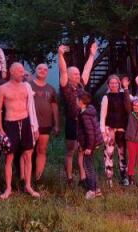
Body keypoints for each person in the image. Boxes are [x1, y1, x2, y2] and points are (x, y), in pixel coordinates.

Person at [0, 62, 40, 199]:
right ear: (12, 72)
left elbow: (31, 108)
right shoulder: (2, 88)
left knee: (28, 155)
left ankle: (28, 185)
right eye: (20, 71)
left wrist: (34, 126)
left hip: (26, 122)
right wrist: (0, 129)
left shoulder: (26, 86)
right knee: (9, 157)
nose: (22, 73)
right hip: (10, 123)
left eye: (23, 71)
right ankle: (8, 188)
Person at [58, 43, 98, 187]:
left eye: (77, 73)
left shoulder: (81, 84)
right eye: (75, 73)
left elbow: (87, 69)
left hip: (82, 123)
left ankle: (82, 178)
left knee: (81, 150)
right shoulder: (65, 86)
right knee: (71, 151)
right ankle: (69, 178)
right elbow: (63, 71)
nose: (78, 74)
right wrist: (60, 55)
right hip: (71, 122)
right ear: (69, 76)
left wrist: (92, 55)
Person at [29, 64, 59, 184]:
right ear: (35, 71)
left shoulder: (51, 89)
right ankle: (25, 178)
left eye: (45, 69)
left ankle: (38, 178)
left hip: (46, 124)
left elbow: (55, 107)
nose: (42, 71)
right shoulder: (28, 86)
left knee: (41, 150)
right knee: (28, 151)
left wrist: (56, 124)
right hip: (30, 124)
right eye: (40, 69)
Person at [99, 75, 129, 186]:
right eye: (111, 83)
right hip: (109, 129)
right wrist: (102, 131)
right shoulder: (106, 97)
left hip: (122, 129)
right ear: (108, 85)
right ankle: (109, 178)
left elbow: (131, 106)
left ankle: (124, 177)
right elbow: (102, 116)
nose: (114, 85)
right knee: (109, 153)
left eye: (116, 83)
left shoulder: (124, 95)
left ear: (119, 84)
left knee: (122, 154)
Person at [77, 91, 102, 199]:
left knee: (88, 167)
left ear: (81, 102)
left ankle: (91, 190)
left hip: (90, 145)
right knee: (90, 166)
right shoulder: (88, 111)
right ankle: (97, 189)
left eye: (77, 100)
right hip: (92, 143)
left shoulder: (85, 115)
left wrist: (88, 147)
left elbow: (90, 132)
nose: (76, 101)